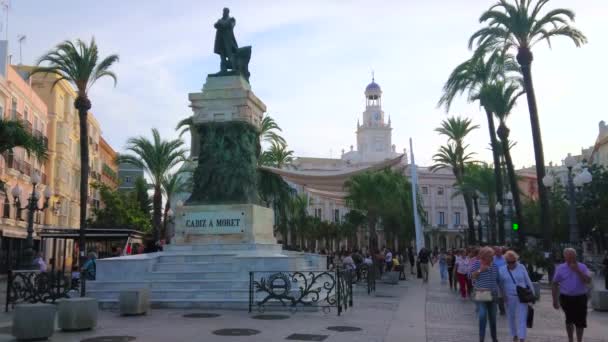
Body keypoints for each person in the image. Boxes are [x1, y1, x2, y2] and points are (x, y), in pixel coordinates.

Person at [552, 248, 592, 342]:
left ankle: (579, 340)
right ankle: (570, 339)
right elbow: (554, 283)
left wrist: (578, 270)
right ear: (565, 257)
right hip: (566, 297)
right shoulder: (560, 268)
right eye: (568, 257)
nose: (571, 259)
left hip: (580, 297)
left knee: (580, 321)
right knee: (569, 319)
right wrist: (555, 300)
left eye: (572, 257)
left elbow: (588, 281)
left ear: (576, 257)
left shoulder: (582, 267)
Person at [499, 250, 535, 342]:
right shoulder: (502, 269)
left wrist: (533, 295)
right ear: (506, 261)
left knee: (522, 317)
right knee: (511, 317)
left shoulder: (521, 267)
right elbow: (500, 285)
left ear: (516, 260)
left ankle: (522, 337)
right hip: (508, 296)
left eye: (513, 262)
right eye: (509, 262)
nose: (511, 264)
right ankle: (514, 334)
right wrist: (503, 296)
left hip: (522, 296)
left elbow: (528, 281)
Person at [470, 247, 499, 342]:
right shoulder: (477, 264)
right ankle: (481, 339)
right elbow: (470, 276)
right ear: (484, 256)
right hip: (482, 293)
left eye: (492, 256)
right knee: (482, 316)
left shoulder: (494, 265)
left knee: (493, 318)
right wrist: (480, 270)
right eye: (490, 256)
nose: (492, 258)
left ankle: (494, 338)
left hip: (493, 294)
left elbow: (497, 280)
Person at [493, 246, 507, 316]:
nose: (498, 252)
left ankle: (504, 309)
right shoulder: (492, 259)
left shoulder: (505, 259)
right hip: (495, 279)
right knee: (498, 295)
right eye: (497, 251)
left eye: (499, 251)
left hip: (504, 278)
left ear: (502, 252)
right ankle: (500, 309)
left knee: (504, 294)